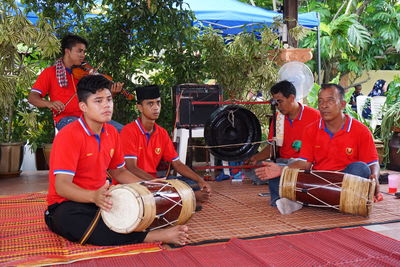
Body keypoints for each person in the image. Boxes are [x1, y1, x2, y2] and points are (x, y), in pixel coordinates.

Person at [44, 75, 189, 246]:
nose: (106, 105)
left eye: (109, 99)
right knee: (73, 221)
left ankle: (138, 228)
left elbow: (119, 171)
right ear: (83, 106)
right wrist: (93, 196)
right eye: (98, 101)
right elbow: (62, 186)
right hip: (68, 204)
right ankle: (151, 236)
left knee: (144, 207)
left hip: (102, 199)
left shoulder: (112, 133)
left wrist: (151, 187)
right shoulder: (68, 136)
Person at [255, 83, 382, 213]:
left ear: (343, 104)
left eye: (330, 101)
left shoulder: (361, 130)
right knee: (278, 169)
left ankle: (304, 201)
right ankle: (327, 202)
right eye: (320, 101)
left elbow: (372, 163)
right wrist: (282, 170)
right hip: (316, 182)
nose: (323, 105)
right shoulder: (311, 129)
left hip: (345, 183)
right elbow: (304, 163)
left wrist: (375, 177)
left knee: (360, 168)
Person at [120, 85, 211, 209]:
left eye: (158, 103)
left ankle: (180, 197)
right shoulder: (128, 131)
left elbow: (177, 164)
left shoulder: (162, 133)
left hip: (155, 180)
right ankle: (189, 198)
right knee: (159, 189)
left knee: (192, 183)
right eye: (150, 104)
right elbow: (131, 167)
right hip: (135, 182)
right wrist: (160, 183)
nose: (156, 107)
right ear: (139, 107)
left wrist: (201, 180)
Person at [245, 80, 320, 205]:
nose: (277, 106)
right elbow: (272, 147)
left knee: (276, 168)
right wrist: (255, 158)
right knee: (254, 168)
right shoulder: (278, 119)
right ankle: (285, 189)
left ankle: (279, 199)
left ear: (291, 98)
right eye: (275, 102)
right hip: (283, 162)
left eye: (280, 101)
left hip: (303, 164)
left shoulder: (315, 116)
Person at [28, 34, 124, 131]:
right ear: (67, 51)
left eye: (84, 52)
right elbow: (33, 97)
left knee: (123, 132)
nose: (83, 55)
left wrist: (112, 93)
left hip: (91, 116)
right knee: (84, 132)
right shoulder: (50, 72)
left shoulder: (86, 73)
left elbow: (98, 98)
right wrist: (49, 103)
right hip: (65, 118)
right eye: (79, 51)